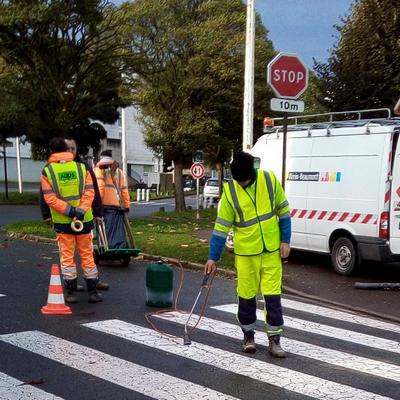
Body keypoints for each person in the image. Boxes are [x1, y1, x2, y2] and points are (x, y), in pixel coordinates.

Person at [204, 151, 291, 358]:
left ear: (252, 172)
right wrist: (212, 257)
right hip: (245, 255)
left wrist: (285, 240)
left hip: (271, 250)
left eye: (244, 181)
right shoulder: (230, 191)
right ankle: (248, 336)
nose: (241, 185)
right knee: (246, 297)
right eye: (238, 181)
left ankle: (275, 340)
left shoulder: (269, 180)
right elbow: (220, 228)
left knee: (272, 297)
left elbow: (284, 211)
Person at [40, 137, 109, 291]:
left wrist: (94, 212)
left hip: (65, 219)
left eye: (73, 148)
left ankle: (78, 287)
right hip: (82, 218)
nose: (71, 151)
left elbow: (48, 196)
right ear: (64, 150)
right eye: (68, 148)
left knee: (73, 255)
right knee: (84, 254)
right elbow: (90, 192)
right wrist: (80, 212)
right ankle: (88, 287)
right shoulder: (76, 168)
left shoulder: (54, 169)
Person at [94, 151, 131, 249]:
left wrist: (97, 205)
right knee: (117, 230)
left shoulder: (99, 169)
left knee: (105, 229)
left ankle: (107, 246)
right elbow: (124, 190)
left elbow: (100, 187)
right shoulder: (119, 171)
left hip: (104, 204)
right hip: (116, 205)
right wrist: (126, 206)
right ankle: (119, 246)